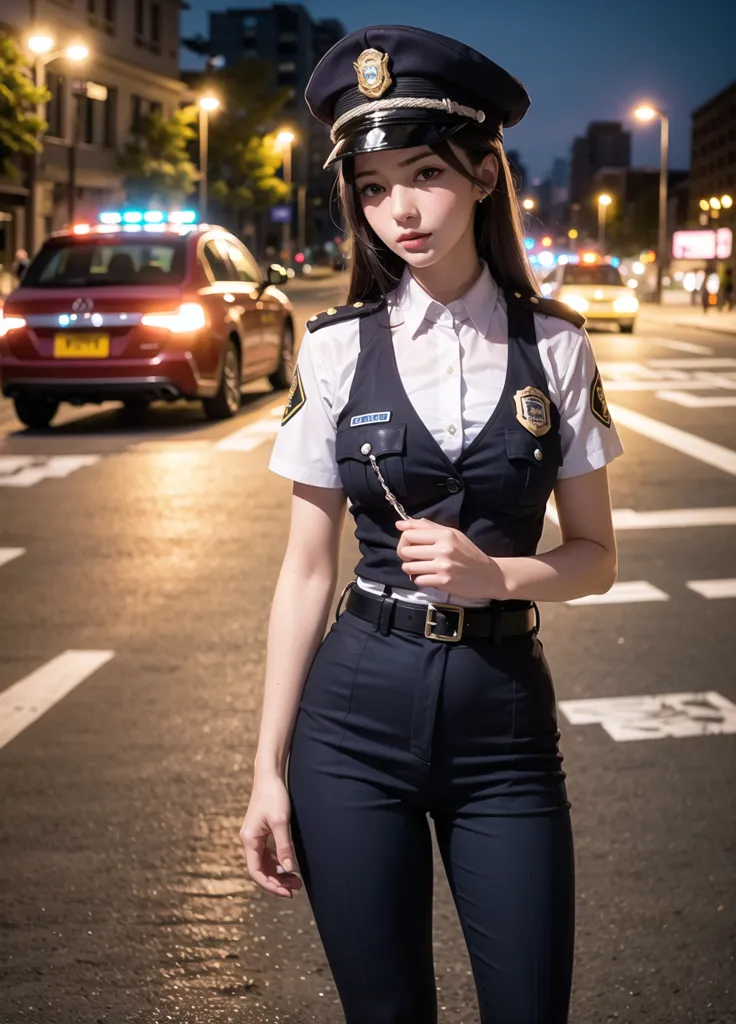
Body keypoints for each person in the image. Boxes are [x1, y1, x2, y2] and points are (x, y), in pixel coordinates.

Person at [240, 24, 624, 1024]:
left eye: (424, 173)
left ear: (487, 172)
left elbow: (595, 557)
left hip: (502, 725)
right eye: (371, 186)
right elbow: (302, 574)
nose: (399, 210)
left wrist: (499, 577)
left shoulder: (557, 348)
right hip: (351, 719)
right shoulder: (332, 352)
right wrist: (264, 770)